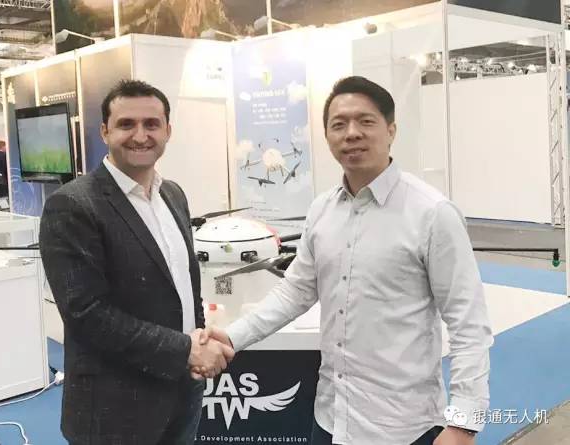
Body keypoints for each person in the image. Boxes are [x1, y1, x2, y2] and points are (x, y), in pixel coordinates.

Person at [198, 76, 494, 445]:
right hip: (331, 419)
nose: (352, 133)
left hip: (404, 428)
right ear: (327, 136)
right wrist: (231, 336)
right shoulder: (322, 210)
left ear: (391, 130)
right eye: (339, 124)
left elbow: (469, 323)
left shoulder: (432, 214)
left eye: (365, 121)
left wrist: (464, 424)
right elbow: (295, 292)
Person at [39, 79, 234, 445]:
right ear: (105, 131)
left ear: (168, 130)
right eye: (126, 124)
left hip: (182, 391)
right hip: (115, 407)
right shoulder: (73, 205)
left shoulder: (173, 194)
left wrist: (200, 340)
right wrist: (185, 350)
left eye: (151, 124)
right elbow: (87, 314)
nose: (141, 136)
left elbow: (183, 284)